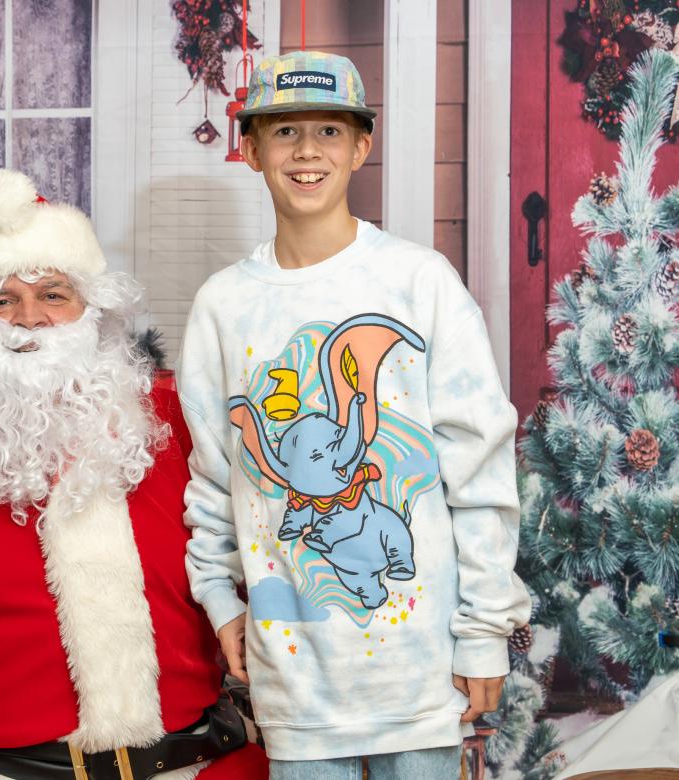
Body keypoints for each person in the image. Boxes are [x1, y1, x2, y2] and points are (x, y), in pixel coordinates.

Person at [177, 51, 531, 779]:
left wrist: (485, 632)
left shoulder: (418, 281)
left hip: (422, 675)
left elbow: (481, 466)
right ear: (250, 150)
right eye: (284, 133)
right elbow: (215, 476)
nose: (307, 151)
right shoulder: (223, 305)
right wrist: (217, 598)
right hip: (296, 682)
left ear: (361, 146)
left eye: (330, 132)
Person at [0, 169, 269, 780]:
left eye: (54, 294)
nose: (30, 319)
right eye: (1, 301)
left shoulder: (175, 423)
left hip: (192, 761)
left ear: (92, 311)